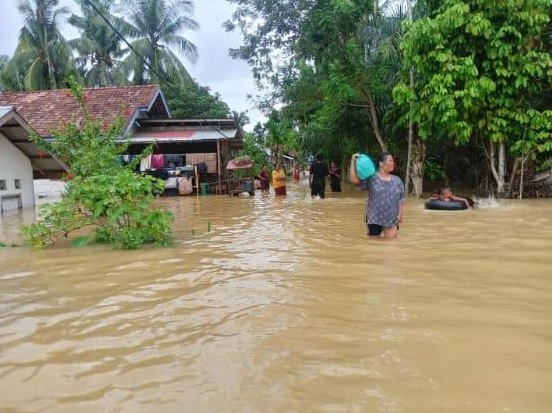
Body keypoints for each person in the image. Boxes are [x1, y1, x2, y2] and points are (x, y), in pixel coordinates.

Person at [350, 152, 405, 239]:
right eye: (390, 161)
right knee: (373, 246)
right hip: (374, 218)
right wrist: (353, 161)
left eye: (393, 161)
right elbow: (354, 180)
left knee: (392, 245)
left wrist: (400, 214)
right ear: (381, 163)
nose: (393, 163)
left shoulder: (397, 180)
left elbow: (401, 199)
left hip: (391, 218)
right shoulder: (372, 178)